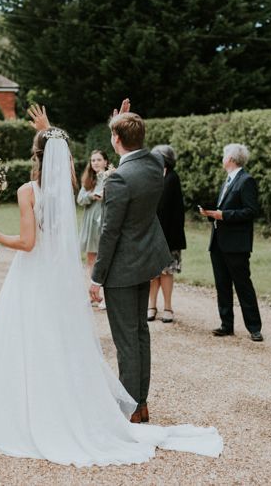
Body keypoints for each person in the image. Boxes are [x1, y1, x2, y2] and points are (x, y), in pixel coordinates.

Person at [0, 104, 222, 465]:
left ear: (36, 155)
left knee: (34, 338)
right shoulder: (116, 173)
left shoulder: (30, 190)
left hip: (39, 273)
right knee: (89, 337)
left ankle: (73, 405)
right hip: (85, 269)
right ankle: (135, 401)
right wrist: (70, 128)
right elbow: (62, 155)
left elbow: (29, 243)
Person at [89, 104, 173, 425]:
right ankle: (141, 403)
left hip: (123, 269)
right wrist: (123, 118)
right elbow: (131, 141)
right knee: (139, 334)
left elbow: (109, 234)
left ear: (116, 139)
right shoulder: (154, 162)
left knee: (126, 341)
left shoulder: (119, 179)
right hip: (147, 262)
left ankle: (131, 409)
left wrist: (97, 279)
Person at [200, 143, 263, 342]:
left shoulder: (246, 181)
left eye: (224, 155)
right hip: (218, 242)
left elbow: (251, 211)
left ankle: (254, 327)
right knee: (222, 284)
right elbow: (223, 211)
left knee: (243, 285)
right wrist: (211, 215)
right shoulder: (227, 181)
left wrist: (224, 215)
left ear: (231, 159)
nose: (222, 158)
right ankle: (226, 324)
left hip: (236, 244)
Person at [147, 145, 186, 324]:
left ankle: (168, 307)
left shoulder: (172, 178)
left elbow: (170, 210)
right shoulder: (152, 176)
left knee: (166, 272)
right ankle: (151, 306)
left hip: (168, 235)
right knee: (152, 273)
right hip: (151, 233)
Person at [77, 149, 112, 308]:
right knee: (91, 259)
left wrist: (105, 196)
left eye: (98, 160)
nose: (95, 163)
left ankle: (104, 295)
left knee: (105, 259)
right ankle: (93, 294)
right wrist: (91, 196)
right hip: (91, 222)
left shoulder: (111, 177)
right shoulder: (88, 179)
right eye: (93, 160)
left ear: (105, 161)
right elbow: (80, 199)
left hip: (105, 221)